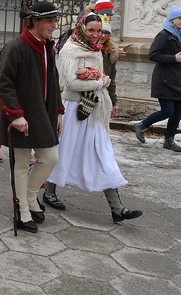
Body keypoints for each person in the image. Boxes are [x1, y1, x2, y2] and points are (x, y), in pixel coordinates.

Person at [46, 12, 143, 224]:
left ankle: (117, 208)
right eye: (91, 30)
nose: (96, 35)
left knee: (103, 154)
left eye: (99, 31)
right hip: (74, 107)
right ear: (81, 28)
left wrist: (103, 80)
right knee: (64, 150)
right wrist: (99, 83)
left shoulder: (96, 49)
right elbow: (71, 83)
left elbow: (100, 76)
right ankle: (48, 192)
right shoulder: (70, 50)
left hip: (95, 108)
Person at [0, 1, 63, 233]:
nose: (54, 25)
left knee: (50, 157)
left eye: (55, 20)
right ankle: (23, 209)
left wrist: (58, 111)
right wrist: (15, 115)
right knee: (21, 164)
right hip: (20, 118)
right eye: (49, 21)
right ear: (35, 21)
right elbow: (4, 84)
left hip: (42, 114)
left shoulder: (47, 47)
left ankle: (31, 196)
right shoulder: (15, 47)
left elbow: (53, 81)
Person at [133, 6, 181, 152]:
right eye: (180, 18)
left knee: (178, 109)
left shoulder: (178, 36)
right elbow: (153, 55)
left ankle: (169, 140)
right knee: (167, 111)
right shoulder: (164, 35)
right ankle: (141, 126)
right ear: (172, 20)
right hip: (164, 80)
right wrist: (174, 58)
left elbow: (179, 55)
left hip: (177, 78)